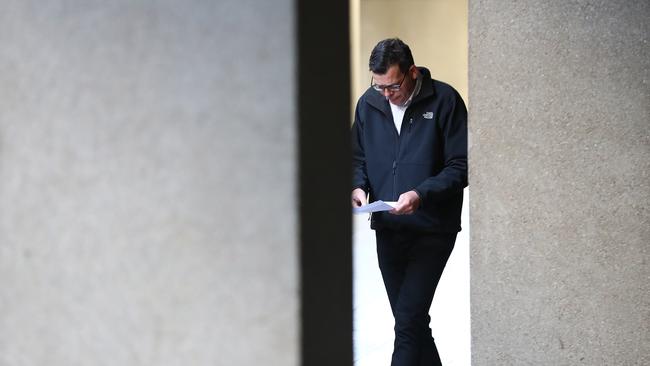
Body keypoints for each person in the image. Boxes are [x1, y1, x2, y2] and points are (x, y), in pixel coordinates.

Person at [351, 38, 467, 366]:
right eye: (379, 87)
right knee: (412, 322)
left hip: (433, 228)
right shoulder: (368, 105)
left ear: (412, 72)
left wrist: (421, 194)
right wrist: (357, 186)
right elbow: (356, 157)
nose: (386, 95)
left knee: (407, 322)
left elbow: (461, 165)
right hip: (388, 226)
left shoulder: (445, 100)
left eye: (392, 86)